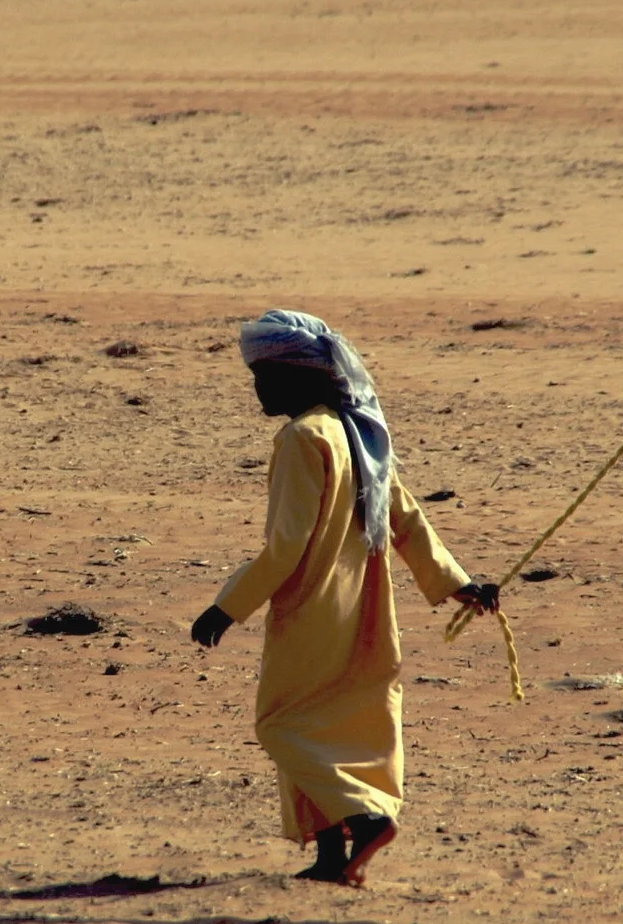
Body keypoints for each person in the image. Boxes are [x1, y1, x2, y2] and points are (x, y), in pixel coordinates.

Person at [191, 310, 497, 886]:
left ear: (301, 378)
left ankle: (366, 816)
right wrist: (458, 583)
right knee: (325, 723)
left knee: (283, 725)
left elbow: (285, 548)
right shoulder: (353, 430)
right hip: (364, 607)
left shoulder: (304, 437)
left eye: (266, 377)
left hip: (313, 607)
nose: (258, 388)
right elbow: (404, 516)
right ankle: (332, 856)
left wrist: (226, 606)